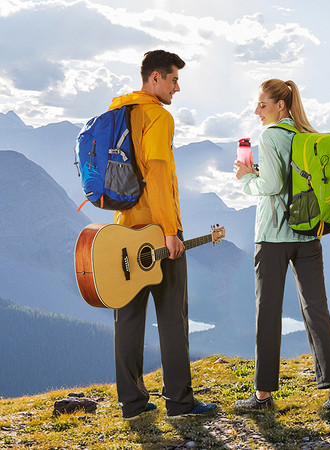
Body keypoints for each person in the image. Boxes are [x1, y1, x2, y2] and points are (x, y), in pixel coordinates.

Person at [109, 50, 217, 419]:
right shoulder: (158, 115)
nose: (177, 87)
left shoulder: (119, 111)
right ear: (155, 78)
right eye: (173, 79)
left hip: (124, 231)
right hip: (158, 231)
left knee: (128, 319)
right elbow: (156, 173)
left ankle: (133, 404)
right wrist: (170, 232)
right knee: (172, 317)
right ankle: (180, 403)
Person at [233, 79, 330, 414]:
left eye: (263, 105)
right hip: (308, 234)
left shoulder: (270, 136)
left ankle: (263, 397)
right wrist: (260, 173)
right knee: (317, 310)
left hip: (272, 237)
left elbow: (270, 185)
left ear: (280, 106)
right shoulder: (303, 136)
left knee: (268, 313)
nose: (257, 111)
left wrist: (245, 178)